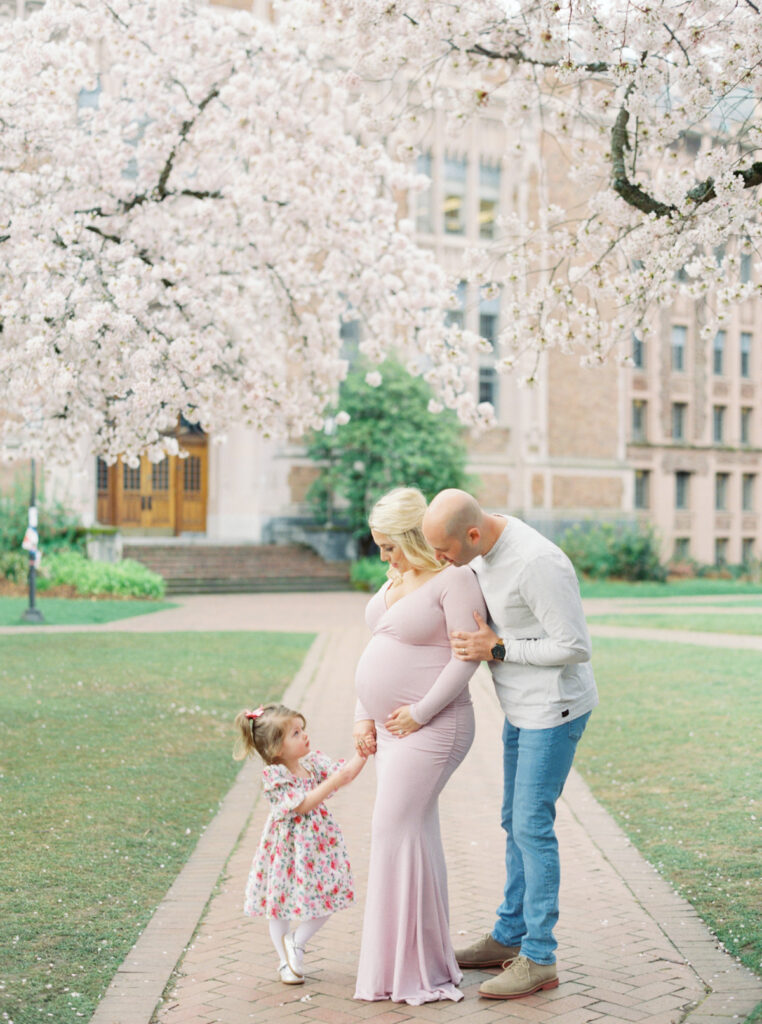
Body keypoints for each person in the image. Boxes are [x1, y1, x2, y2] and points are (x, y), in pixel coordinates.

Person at [422, 489, 598, 1000]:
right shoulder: (480, 553)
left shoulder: (538, 562)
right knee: (512, 821)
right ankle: (508, 936)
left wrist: (497, 646)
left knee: (531, 826)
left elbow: (575, 646)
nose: (441, 559)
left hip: (554, 710)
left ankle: (539, 956)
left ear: (473, 535)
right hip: (520, 708)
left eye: (445, 549)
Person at [352, 486, 487, 1005]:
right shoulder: (397, 578)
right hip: (393, 729)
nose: (383, 557)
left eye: (390, 545)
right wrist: (364, 714)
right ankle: (421, 959)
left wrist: (419, 712)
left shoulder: (455, 581)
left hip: (435, 726)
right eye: (379, 546)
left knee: (393, 830)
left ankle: (409, 968)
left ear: (413, 536)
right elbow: (377, 646)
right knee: (411, 834)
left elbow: (466, 658)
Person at [234, 702, 366, 985]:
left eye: (301, 729)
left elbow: (346, 774)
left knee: (330, 894)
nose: (304, 735)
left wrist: (363, 753)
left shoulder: (313, 763)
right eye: (295, 733)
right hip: (286, 850)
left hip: (318, 848)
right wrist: (334, 782)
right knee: (279, 904)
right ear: (276, 749)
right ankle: (285, 961)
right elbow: (302, 805)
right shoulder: (274, 776)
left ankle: (296, 941)